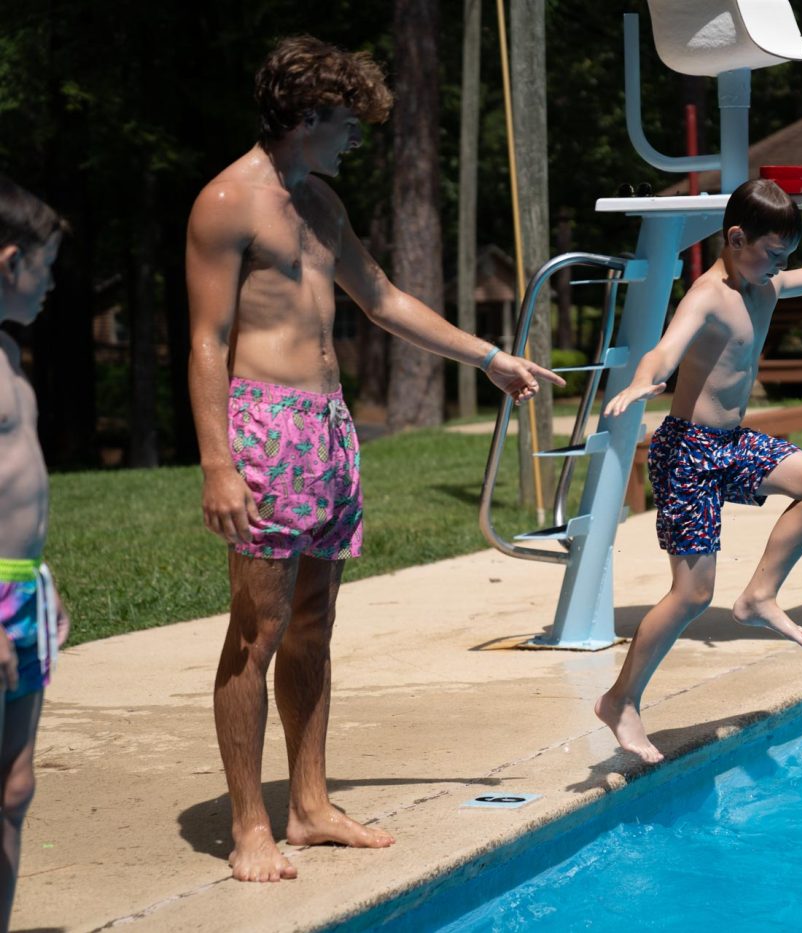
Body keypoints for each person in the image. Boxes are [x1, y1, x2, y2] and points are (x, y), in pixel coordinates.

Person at [186, 36, 563, 883]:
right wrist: (217, 462)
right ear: (306, 115)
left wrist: (487, 357)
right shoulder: (226, 201)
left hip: (327, 427)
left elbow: (384, 299)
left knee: (314, 624)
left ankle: (309, 804)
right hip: (264, 427)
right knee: (257, 629)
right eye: (347, 123)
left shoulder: (319, 203)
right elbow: (208, 339)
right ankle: (249, 822)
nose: (357, 138)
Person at [595, 179, 802, 764]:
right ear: (736, 238)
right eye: (773, 253)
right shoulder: (708, 295)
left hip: (731, 442)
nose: (781, 266)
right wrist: (643, 381)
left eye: (786, 255)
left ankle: (760, 595)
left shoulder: (765, 283)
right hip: (688, 453)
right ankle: (620, 701)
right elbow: (666, 348)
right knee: (692, 596)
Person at [0, 174, 71, 929]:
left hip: (23, 591)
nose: (52, 285)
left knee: (15, 788)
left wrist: (42, 586)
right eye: (45, 268)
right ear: (10, 260)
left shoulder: (9, 356)